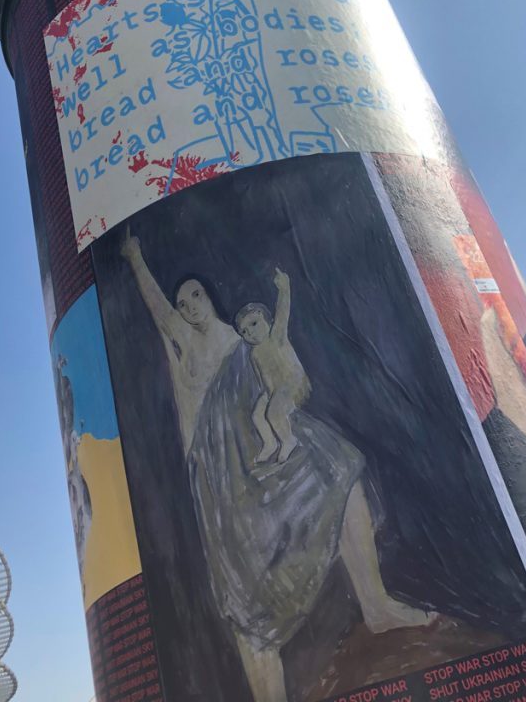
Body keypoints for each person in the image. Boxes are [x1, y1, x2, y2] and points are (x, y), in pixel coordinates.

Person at [121, 229, 431, 702]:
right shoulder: (186, 338)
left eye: (196, 295)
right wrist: (135, 258)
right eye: (183, 304)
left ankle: (376, 604)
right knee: (244, 582)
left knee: (342, 471)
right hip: (229, 472)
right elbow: (157, 308)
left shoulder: (239, 334)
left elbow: (279, 360)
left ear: (210, 296)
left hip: (269, 443)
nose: (190, 307)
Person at [235, 268, 310, 464]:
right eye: (243, 331)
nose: (249, 333)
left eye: (253, 324)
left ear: (264, 317)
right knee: (257, 415)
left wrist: (284, 288)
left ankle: (288, 440)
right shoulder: (254, 353)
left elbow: (283, 311)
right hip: (273, 389)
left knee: (273, 412)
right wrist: (266, 396)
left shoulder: (276, 335)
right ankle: (270, 443)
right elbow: (262, 378)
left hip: (292, 381)